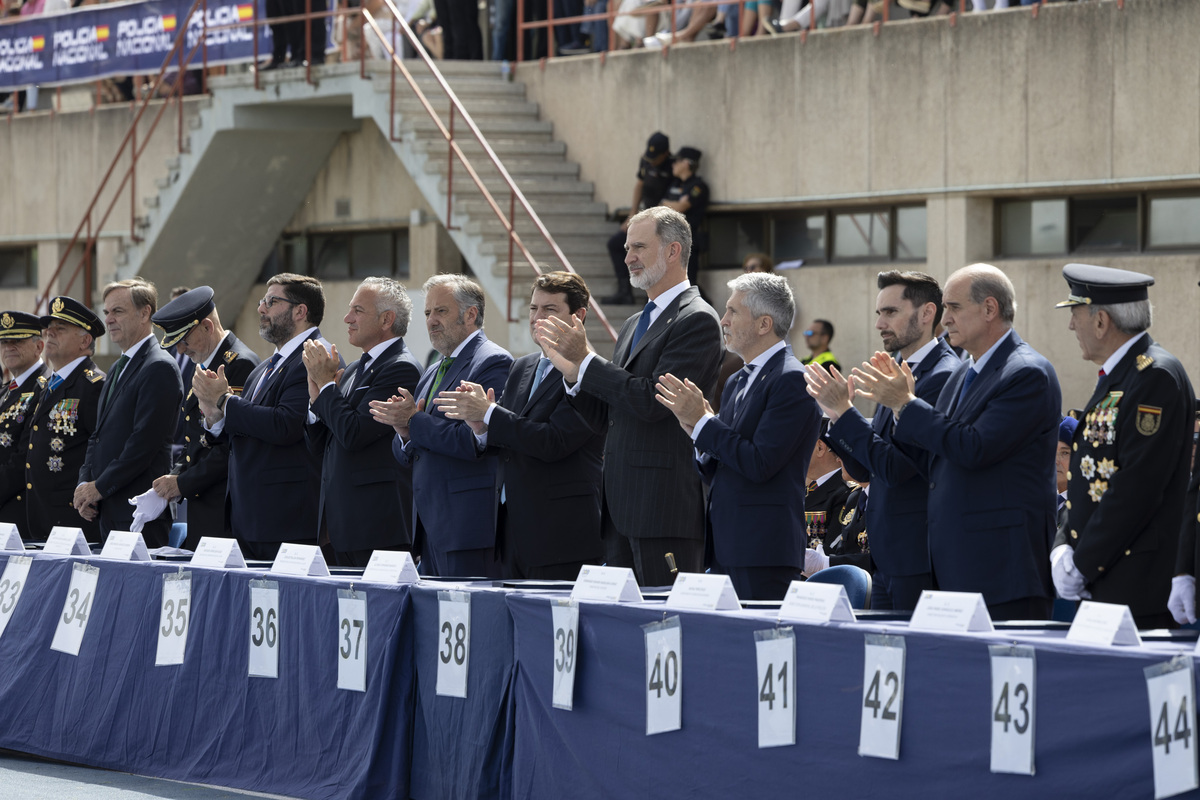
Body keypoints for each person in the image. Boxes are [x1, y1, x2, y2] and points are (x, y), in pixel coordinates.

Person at [852, 263, 1061, 620]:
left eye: (954, 307)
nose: (944, 318)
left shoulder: (1026, 371)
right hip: (955, 566)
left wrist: (904, 404)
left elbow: (974, 447)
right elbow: (932, 454)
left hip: (1001, 570)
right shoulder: (966, 370)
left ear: (990, 309)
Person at [538, 206, 723, 586]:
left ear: (673, 251)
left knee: (664, 632)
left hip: (662, 511)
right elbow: (614, 409)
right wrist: (573, 374)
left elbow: (654, 402)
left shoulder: (698, 319)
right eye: (626, 248)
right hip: (620, 511)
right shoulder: (633, 323)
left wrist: (587, 361)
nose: (627, 258)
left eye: (638, 246)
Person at [656, 272, 819, 600]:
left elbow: (760, 463)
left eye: (733, 311)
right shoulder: (736, 380)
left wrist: (703, 422)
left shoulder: (791, 380)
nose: (722, 319)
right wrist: (696, 433)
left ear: (763, 324)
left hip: (763, 551)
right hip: (725, 547)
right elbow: (718, 465)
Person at [1049, 264, 1193, 629]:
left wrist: (1083, 565)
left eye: (1075, 314)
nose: (1071, 326)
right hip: (1104, 578)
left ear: (1100, 322)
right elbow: (1090, 475)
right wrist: (1064, 542)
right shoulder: (1119, 375)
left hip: (1135, 585)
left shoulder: (1154, 376)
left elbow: (1137, 487)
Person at [435, 271, 606, 580]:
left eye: (549, 309)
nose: (537, 317)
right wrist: (480, 426)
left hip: (560, 538)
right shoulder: (522, 366)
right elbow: (510, 438)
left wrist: (490, 414)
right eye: (533, 308)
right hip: (510, 534)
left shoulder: (589, 374)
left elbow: (553, 442)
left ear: (578, 315)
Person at [808, 270, 958, 610]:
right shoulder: (892, 368)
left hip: (919, 556)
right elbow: (864, 470)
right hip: (884, 555)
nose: (879, 324)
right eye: (879, 313)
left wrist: (846, 413)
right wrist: (836, 416)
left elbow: (896, 469)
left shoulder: (943, 375)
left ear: (927, 313)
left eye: (890, 312)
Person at [370, 274, 512, 578]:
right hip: (428, 525)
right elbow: (412, 451)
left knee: (469, 620)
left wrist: (413, 420)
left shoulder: (492, 361)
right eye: (427, 313)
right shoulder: (433, 368)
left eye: (441, 311)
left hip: (466, 526)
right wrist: (403, 433)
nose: (431, 320)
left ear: (470, 314)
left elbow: (474, 441)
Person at [191, 274, 338, 561]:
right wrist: (214, 417)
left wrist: (224, 400)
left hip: (286, 519)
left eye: (272, 302)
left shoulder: (315, 358)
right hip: (249, 518)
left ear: (300, 311)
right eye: (262, 301)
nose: (261, 309)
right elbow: (243, 429)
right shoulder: (266, 367)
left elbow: (287, 424)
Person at [304, 277, 422, 567]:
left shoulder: (401, 368)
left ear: (386, 319)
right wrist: (315, 400)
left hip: (376, 527)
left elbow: (354, 434)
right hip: (341, 525)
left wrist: (327, 388)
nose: (347, 318)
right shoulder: (356, 367)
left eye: (358, 310)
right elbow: (323, 443)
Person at [148, 287, 260, 549]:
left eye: (185, 340)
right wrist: (172, 478)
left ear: (208, 326)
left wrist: (182, 483)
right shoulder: (206, 363)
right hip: (204, 505)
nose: (180, 349)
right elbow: (194, 438)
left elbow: (232, 447)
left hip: (225, 510)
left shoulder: (238, 365)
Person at [75, 279, 184, 546]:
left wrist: (98, 487)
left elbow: (143, 444)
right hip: (108, 510)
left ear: (145, 313)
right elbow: (97, 437)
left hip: (138, 513)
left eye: (118, 311)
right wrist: (84, 485)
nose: (109, 320)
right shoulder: (117, 368)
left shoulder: (159, 367)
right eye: (107, 312)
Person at [26, 298, 106, 541]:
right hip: (39, 514)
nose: (50, 333)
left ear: (85, 341)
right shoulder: (47, 385)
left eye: (60, 329)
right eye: (48, 329)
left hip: (73, 520)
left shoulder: (94, 385)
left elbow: (101, 449)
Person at [602, 132, 674, 305]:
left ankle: (653, 295)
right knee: (615, 244)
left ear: (665, 154)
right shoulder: (646, 161)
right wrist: (632, 215)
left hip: (662, 222)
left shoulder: (672, 167)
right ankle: (625, 291)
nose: (651, 162)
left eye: (655, 158)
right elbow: (639, 184)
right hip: (644, 217)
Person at [0, 311, 50, 537]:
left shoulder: (45, 388)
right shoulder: (6, 391)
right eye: (4, 342)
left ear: (39, 347)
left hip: (19, 515)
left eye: (17, 342)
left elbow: (24, 459)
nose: (8, 347)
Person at [661, 146, 710, 290]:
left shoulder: (698, 186)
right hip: (669, 239)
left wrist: (672, 204)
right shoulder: (675, 184)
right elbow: (661, 206)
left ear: (687, 163)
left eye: (677, 161)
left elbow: (682, 207)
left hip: (689, 240)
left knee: (688, 282)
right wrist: (673, 204)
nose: (673, 164)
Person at [803, 419, 850, 551]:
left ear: (820, 447)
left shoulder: (845, 492)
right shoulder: (802, 489)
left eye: (799, 444)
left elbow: (832, 551)